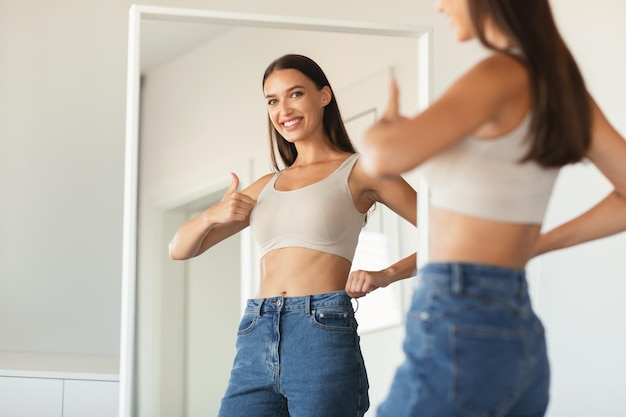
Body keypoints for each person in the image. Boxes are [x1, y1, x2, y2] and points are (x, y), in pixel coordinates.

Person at [358, 1, 626, 416]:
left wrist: (383, 128)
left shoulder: (499, 73)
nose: (441, 4)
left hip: (460, 310)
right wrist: (536, 245)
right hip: (517, 327)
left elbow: (382, 159)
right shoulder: (563, 93)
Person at [168, 54, 418, 417]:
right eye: (272, 100)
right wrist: (213, 214)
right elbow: (179, 249)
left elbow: (452, 237)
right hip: (256, 330)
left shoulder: (362, 170)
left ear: (324, 96)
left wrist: (385, 275)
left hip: (321, 331)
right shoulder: (266, 186)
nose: (283, 109)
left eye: (295, 94)